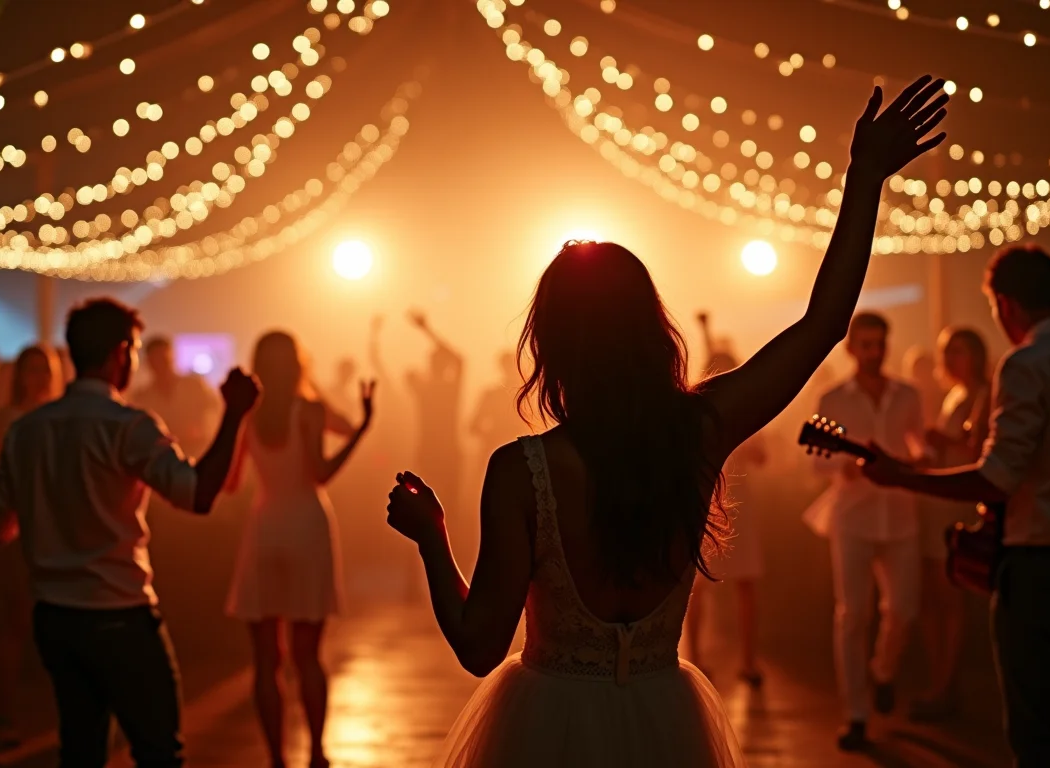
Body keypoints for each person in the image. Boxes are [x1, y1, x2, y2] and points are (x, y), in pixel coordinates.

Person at [383, 77, 949, 767]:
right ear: (650, 330)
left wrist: (431, 538)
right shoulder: (700, 430)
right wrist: (864, 180)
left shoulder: (521, 470)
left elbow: (478, 649)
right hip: (665, 722)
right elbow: (824, 323)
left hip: (544, 729)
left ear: (552, 344)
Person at [0, 298, 260, 768]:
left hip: (56, 619)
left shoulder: (27, 431)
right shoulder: (128, 427)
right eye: (134, 350)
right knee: (158, 751)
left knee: (80, 751)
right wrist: (236, 414)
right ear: (121, 352)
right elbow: (197, 494)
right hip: (120, 614)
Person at [863, 245, 1050, 766]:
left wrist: (905, 477)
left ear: (1007, 305)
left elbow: (996, 478)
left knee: (1037, 736)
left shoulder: (1025, 365)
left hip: (1040, 570)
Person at [224, 332, 373, 768]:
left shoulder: (248, 416)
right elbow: (321, 473)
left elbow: (231, 483)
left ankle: (275, 758)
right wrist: (362, 427)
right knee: (308, 655)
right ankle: (316, 753)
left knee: (265, 660)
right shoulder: (308, 410)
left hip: (265, 525)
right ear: (297, 364)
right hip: (307, 527)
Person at [804, 311, 925, 749]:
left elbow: (917, 443)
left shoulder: (908, 394)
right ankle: (856, 713)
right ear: (852, 348)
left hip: (900, 514)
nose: (874, 353)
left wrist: (921, 455)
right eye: (866, 345)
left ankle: (883, 671)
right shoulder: (832, 398)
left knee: (905, 609)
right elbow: (818, 459)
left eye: (880, 344)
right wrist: (848, 466)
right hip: (852, 517)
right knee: (853, 615)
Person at [684, 312, 768, 688]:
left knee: (745, 583)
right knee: (695, 583)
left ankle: (749, 659)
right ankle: (695, 656)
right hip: (703, 502)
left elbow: (762, 457)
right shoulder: (691, 414)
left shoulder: (750, 413)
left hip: (740, 505)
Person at [0, 344, 64, 735]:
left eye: (46, 369)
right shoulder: (8, 417)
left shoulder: (60, 417)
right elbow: (0, 473)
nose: (41, 377)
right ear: (19, 375)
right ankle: (4, 712)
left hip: (57, 532)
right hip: (19, 530)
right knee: (14, 620)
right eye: (33, 369)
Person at [911, 327, 989, 720]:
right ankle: (940, 677)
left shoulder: (984, 395)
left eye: (960, 351)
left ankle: (945, 682)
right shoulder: (954, 395)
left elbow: (977, 451)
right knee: (932, 597)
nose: (953, 359)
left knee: (949, 596)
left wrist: (943, 442)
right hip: (938, 501)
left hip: (956, 503)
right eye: (948, 352)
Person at [406, 310, 465, 526]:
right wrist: (427, 330)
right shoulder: (446, 389)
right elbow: (459, 359)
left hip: (434, 450)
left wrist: (426, 330)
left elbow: (459, 360)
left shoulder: (427, 389)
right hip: (442, 450)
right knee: (447, 507)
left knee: (427, 506)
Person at [130, 336, 223, 459]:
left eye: (164, 359)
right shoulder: (143, 397)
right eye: (156, 360)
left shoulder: (194, 386)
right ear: (149, 362)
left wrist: (202, 427)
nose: (161, 365)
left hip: (199, 453)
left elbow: (216, 408)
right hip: (163, 460)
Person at [904, 344, 945, 428]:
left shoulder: (944, 399)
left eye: (925, 370)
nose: (922, 377)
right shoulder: (908, 402)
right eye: (918, 372)